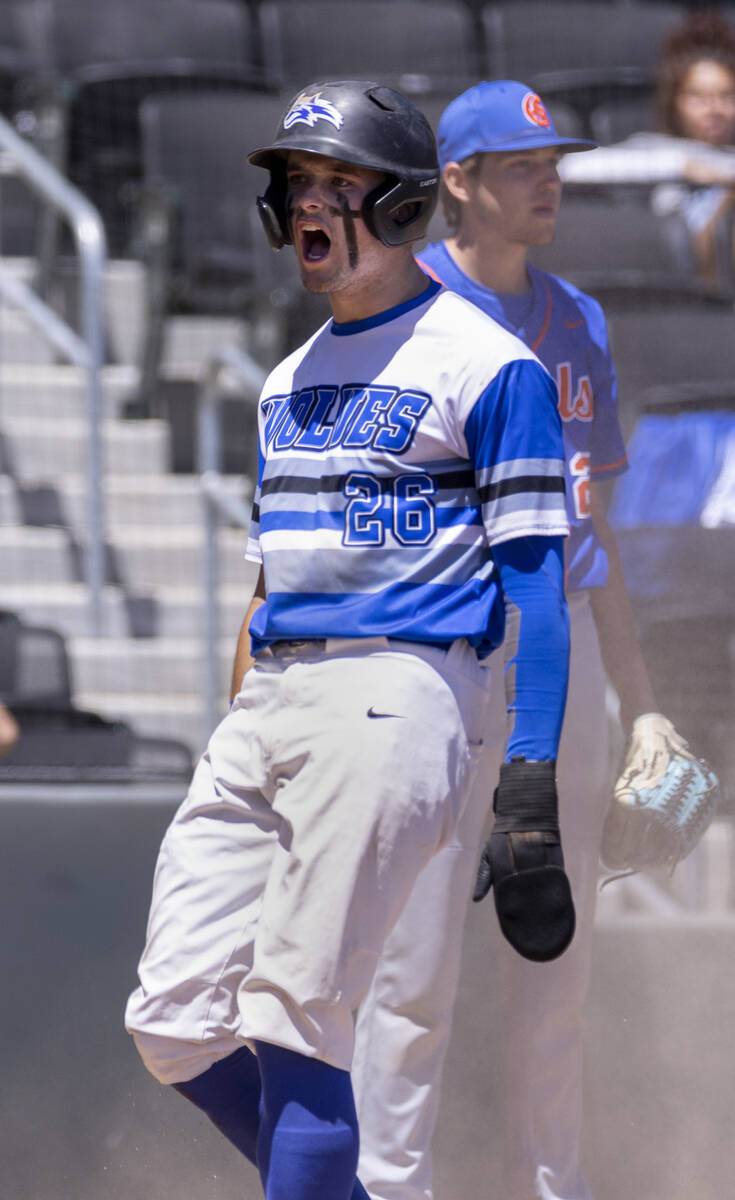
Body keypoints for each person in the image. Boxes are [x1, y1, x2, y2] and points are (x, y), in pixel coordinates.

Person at [125, 79, 573, 1200]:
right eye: (298, 186)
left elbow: (540, 587)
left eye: (340, 184)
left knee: (298, 1025)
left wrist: (529, 777)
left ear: (408, 205)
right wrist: (242, 719)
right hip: (274, 699)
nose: (310, 206)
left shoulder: (487, 364)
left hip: (399, 688)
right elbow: (266, 585)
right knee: (174, 1021)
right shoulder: (285, 382)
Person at [350, 80, 665, 1200]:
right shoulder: (385, 305)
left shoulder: (578, 319)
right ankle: (389, 1189)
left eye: (556, 161)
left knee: (557, 955)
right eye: (524, 165)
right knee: (413, 966)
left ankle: (554, 1186)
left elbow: (600, 535)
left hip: (561, 646)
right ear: (461, 184)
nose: (551, 180)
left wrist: (644, 700)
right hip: (431, 651)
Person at [559, 10, 735, 289]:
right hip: (675, 282)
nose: (714, 109)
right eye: (698, 97)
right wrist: (682, 167)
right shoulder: (657, 152)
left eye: (726, 96)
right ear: (675, 103)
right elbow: (566, 169)